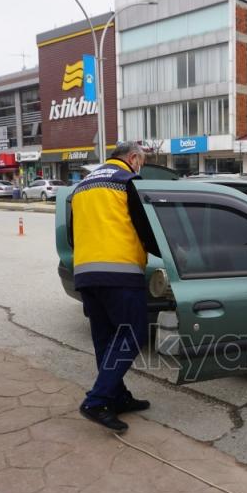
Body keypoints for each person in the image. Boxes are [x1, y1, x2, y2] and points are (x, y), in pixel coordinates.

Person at [71, 141, 155, 433]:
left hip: (85, 272)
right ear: (132, 157)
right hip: (120, 271)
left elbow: (73, 233)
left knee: (105, 339)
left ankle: (117, 396)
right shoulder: (128, 181)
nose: (140, 166)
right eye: (141, 161)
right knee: (133, 333)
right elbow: (146, 227)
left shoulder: (82, 186)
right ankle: (97, 401)